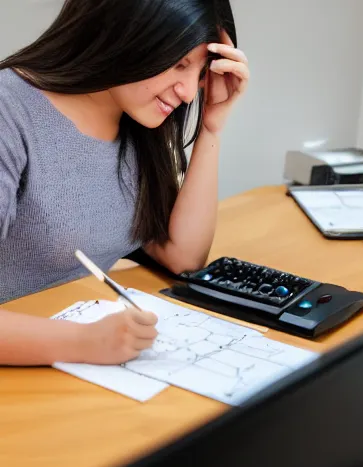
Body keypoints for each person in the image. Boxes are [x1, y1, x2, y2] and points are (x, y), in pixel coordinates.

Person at [0, 0, 250, 366]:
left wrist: (211, 127)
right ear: (126, 33)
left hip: (67, 366)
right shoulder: (10, 111)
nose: (187, 93)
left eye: (200, 72)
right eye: (179, 63)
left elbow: (182, 257)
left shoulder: (136, 125)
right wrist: (84, 342)